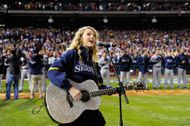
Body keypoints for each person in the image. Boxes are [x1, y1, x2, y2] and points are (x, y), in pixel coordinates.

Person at [47, 26, 106, 126]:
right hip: (71, 106)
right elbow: (53, 71)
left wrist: (112, 89)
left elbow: (97, 86)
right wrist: (69, 88)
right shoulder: (71, 54)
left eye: (94, 35)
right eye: (88, 34)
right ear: (80, 37)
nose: (92, 37)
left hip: (88, 106)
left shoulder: (94, 63)